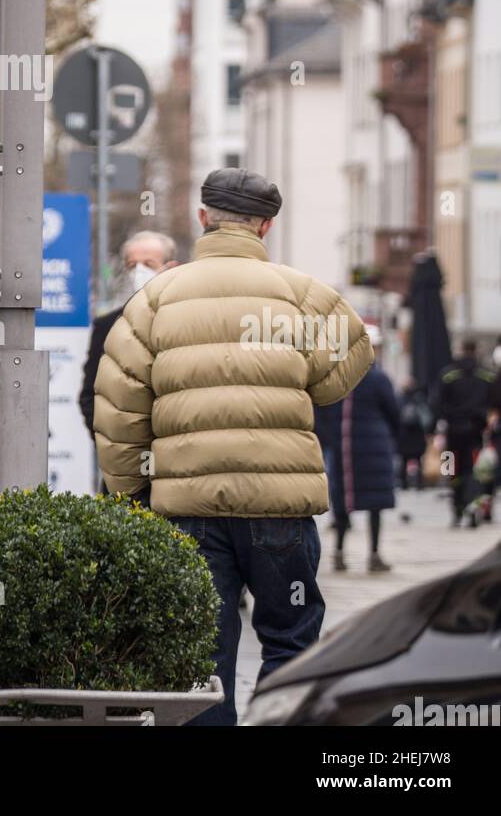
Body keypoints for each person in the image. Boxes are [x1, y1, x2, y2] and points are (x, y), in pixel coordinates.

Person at [94, 166, 374, 727]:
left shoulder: (155, 302)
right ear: (266, 226)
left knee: (200, 653)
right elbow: (349, 359)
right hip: (281, 508)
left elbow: (119, 409)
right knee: (292, 639)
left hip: (188, 507)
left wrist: (130, 495)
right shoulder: (305, 296)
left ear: (203, 218)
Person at [78, 230, 177, 437]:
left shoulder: (187, 320)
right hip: (128, 454)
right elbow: (91, 395)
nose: (139, 271)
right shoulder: (107, 325)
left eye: (149, 264)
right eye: (132, 265)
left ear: (171, 268)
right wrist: (111, 445)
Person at [314, 361, 400, 572]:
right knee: (375, 504)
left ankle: (339, 552)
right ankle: (374, 554)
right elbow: (394, 412)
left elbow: (319, 414)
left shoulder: (333, 379)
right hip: (374, 447)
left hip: (343, 447)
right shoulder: (378, 378)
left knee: (342, 502)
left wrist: (328, 440)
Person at [431, 337, 495, 528]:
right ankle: (474, 507)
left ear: (460, 350)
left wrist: (437, 427)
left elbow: (435, 403)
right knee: (475, 471)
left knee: (451, 471)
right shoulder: (487, 375)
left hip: (452, 433)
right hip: (477, 433)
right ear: (476, 350)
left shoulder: (447, 375)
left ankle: (456, 509)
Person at [397, 378, 434, 491]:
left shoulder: (399, 399)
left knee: (404, 460)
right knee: (418, 460)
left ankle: (404, 484)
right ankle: (419, 483)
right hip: (417, 435)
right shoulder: (419, 399)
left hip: (404, 435)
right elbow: (427, 418)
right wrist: (428, 431)